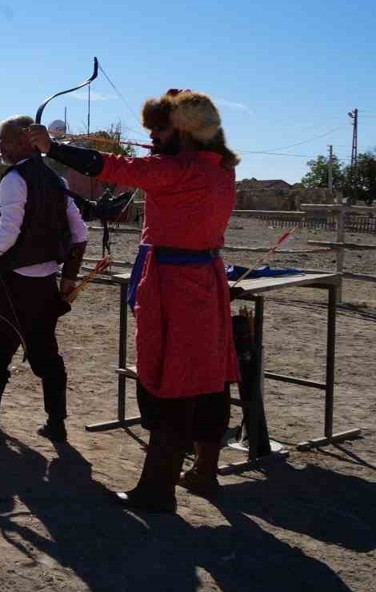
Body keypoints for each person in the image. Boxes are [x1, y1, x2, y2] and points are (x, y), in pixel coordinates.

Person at [30, 89, 240, 514]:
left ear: (182, 132)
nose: (154, 138)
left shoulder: (179, 171)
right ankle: (204, 471)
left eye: (160, 131)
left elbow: (115, 166)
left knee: (171, 381)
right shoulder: (218, 169)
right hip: (205, 279)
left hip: (177, 286)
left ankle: (157, 490)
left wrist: (52, 148)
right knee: (209, 376)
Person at [0, 117, 88, 445]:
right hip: (44, 286)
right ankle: (57, 423)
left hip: (13, 285)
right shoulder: (55, 179)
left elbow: (6, 237)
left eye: (5, 142)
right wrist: (68, 277)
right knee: (45, 355)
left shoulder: (16, 178)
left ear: (25, 142)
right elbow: (80, 233)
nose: (0, 147)